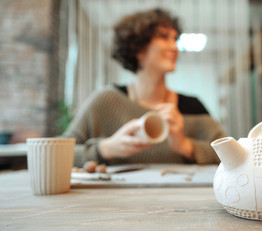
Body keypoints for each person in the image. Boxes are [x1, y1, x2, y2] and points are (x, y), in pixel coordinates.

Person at [63, 8, 226, 167]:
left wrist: (185, 146)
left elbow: (231, 154)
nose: (174, 47)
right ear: (138, 48)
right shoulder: (105, 101)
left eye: (174, 39)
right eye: (163, 37)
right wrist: (105, 149)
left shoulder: (192, 107)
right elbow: (58, 154)